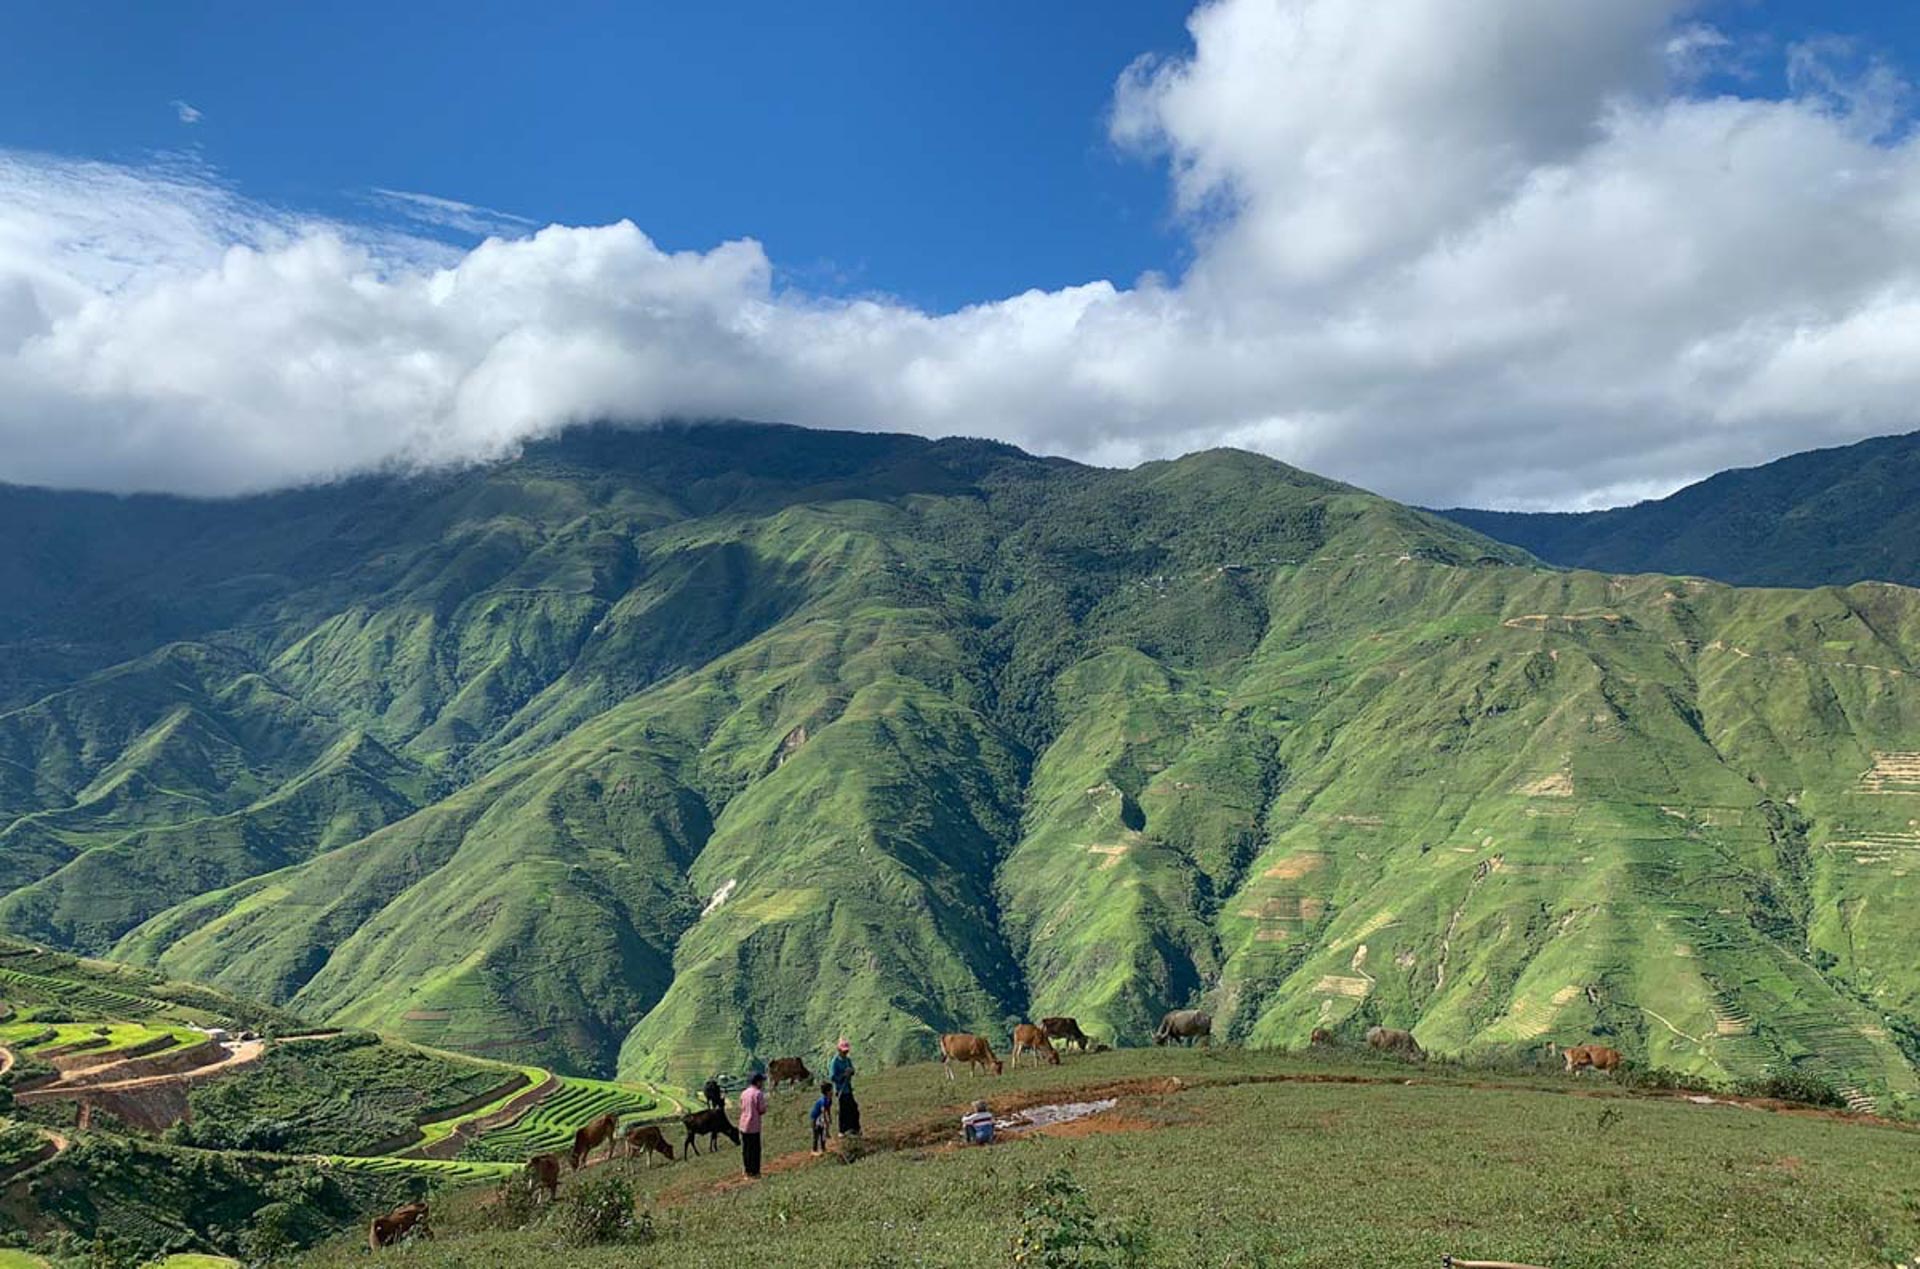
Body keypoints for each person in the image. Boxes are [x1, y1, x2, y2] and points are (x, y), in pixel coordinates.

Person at [739, 1071, 767, 1179]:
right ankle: (755, 1172)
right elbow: (762, 1109)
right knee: (755, 1149)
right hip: (754, 1125)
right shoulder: (758, 1094)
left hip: (743, 1125)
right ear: (758, 1082)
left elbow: (742, 1106)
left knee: (746, 1149)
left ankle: (747, 1171)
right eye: (761, 1081)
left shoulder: (744, 1093)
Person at [829, 1037, 860, 1136]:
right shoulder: (835, 1062)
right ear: (839, 1050)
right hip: (841, 1089)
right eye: (843, 1051)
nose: (845, 1053)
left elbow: (852, 1070)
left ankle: (855, 1128)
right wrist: (843, 1075)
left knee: (853, 1108)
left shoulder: (847, 1060)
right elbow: (832, 1077)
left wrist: (851, 1072)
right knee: (844, 1110)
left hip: (848, 1088)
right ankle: (842, 1130)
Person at [809, 1081, 834, 1155]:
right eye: (831, 1090)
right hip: (815, 1117)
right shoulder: (823, 1101)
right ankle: (814, 1150)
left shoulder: (829, 1100)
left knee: (823, 1133)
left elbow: (828, 1109)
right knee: (816, 1133)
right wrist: (826, 1122)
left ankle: (823, 1148)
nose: (832, 1091)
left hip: (821, 1117)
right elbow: (823, 1111)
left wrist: (830, 1118)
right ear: (827, 1092)